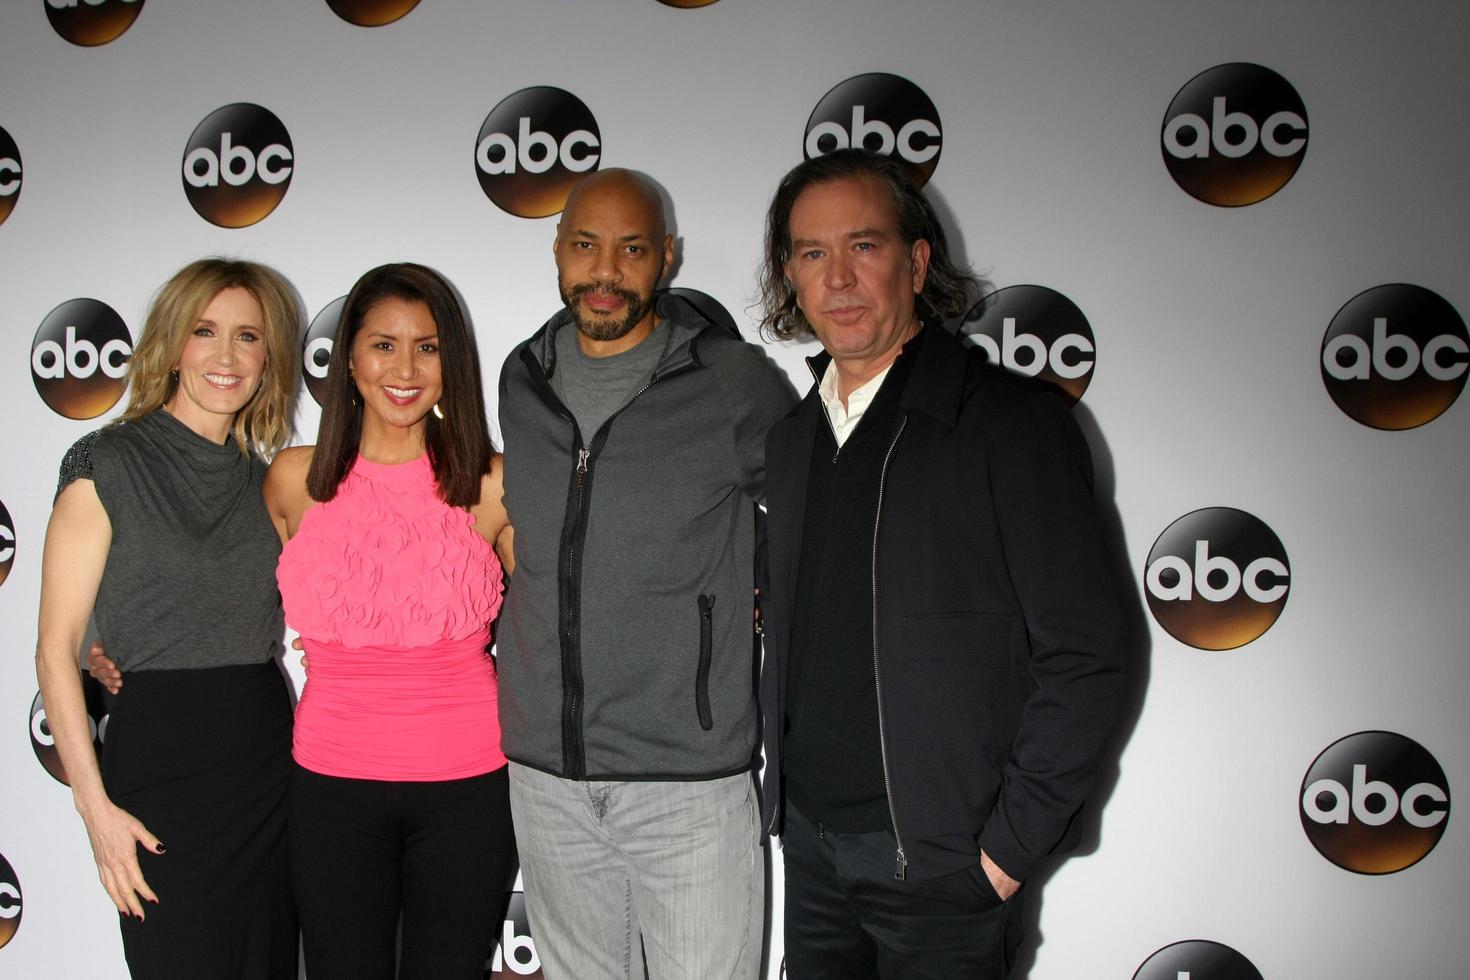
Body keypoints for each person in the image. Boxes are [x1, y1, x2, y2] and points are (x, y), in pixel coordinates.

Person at [754, 148, 1128, 978]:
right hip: (812, 852)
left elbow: (1089, 654)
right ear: (791, 275)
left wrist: (1004, 851)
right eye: (813, 254)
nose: (840, 279)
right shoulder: (793, 442)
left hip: (946, 872)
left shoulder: (1008, 426)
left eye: (865, 247)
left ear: (918, 262)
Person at [495, 168, 795, 979]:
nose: (605, 272)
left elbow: (813, 527)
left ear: (667, 257)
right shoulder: (524, 379)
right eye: (585, 246)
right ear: (558, 250)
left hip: (688, 786)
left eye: (631, 250)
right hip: (548, 778)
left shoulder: (732, 383)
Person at [36, 258, 301, 978]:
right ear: (171, 344)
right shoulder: (106, 460)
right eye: (204, 331)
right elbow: (55, 650)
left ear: (269, 355)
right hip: (161, 764)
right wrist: (96, 814)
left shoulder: (268, 479)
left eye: (248, 336)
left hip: (265, 757)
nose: (225, 356)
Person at [264, 262, 516, 979]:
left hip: (469, 788)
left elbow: (569, 607)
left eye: (428, 347)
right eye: (383, 344)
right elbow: (219, 585)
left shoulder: (494, 483)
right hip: (331, 786)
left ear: (452, 362)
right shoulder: (294, 481)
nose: (404, 368)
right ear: (348, 356)